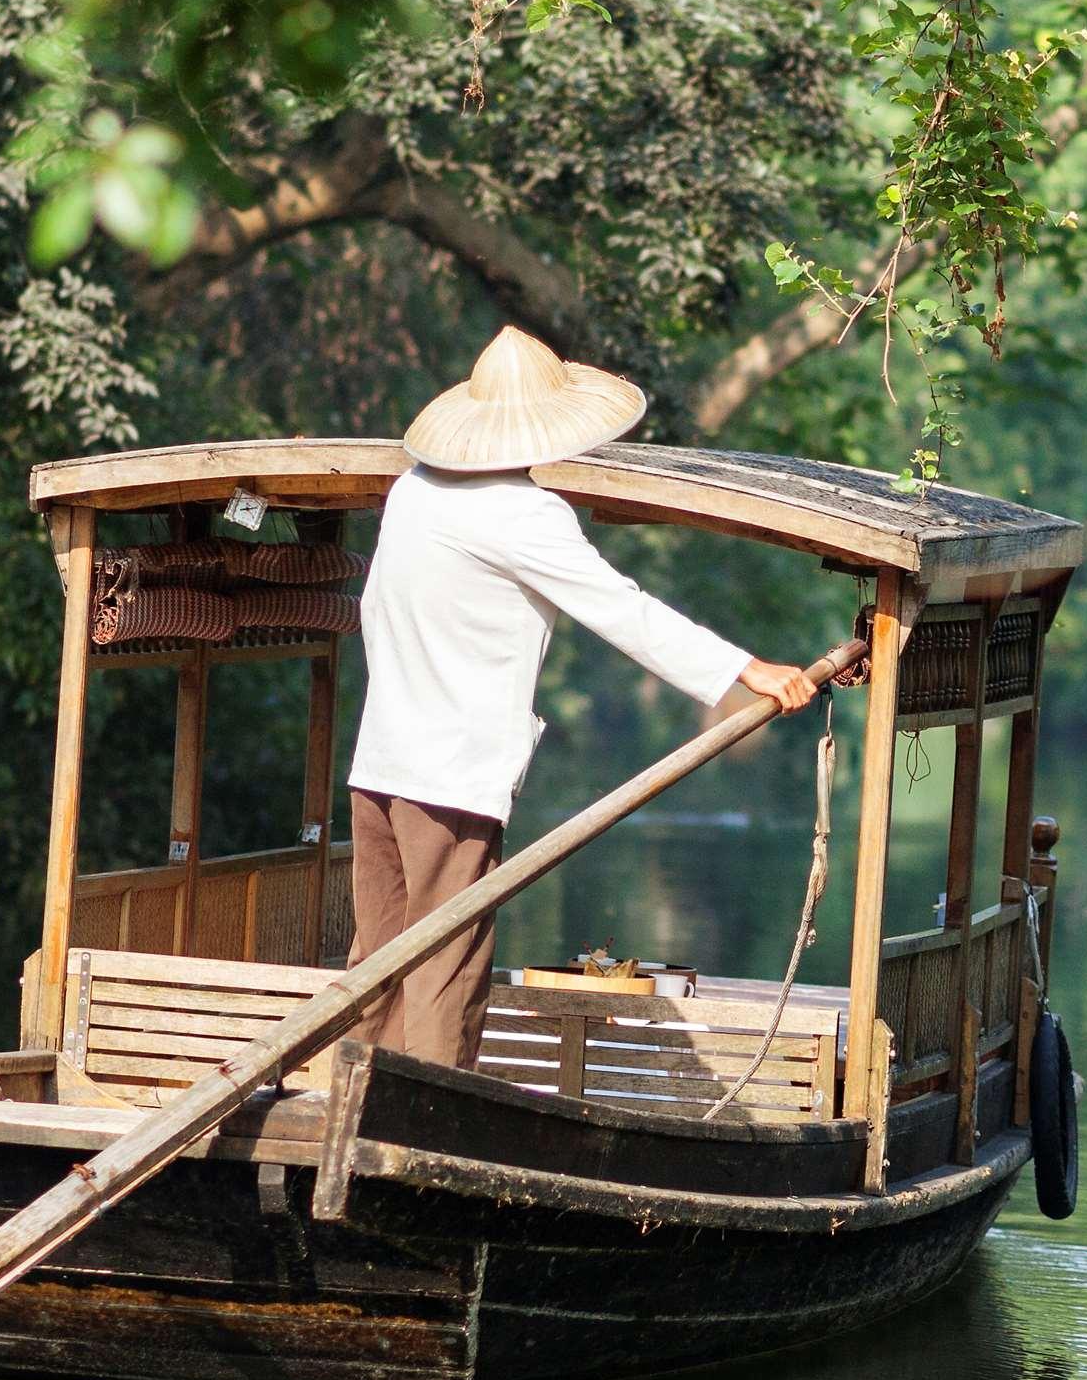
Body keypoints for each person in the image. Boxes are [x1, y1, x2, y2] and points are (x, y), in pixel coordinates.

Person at [346, 326, 826, 1068]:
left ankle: (352, 1097)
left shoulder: (412, 490)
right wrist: (746, 669)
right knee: (447, 960)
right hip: (448, 774)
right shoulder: (524, 515)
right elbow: (623, 611)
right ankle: (425, 1120)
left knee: (376, 956)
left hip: (378, 764)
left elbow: (378, 612)